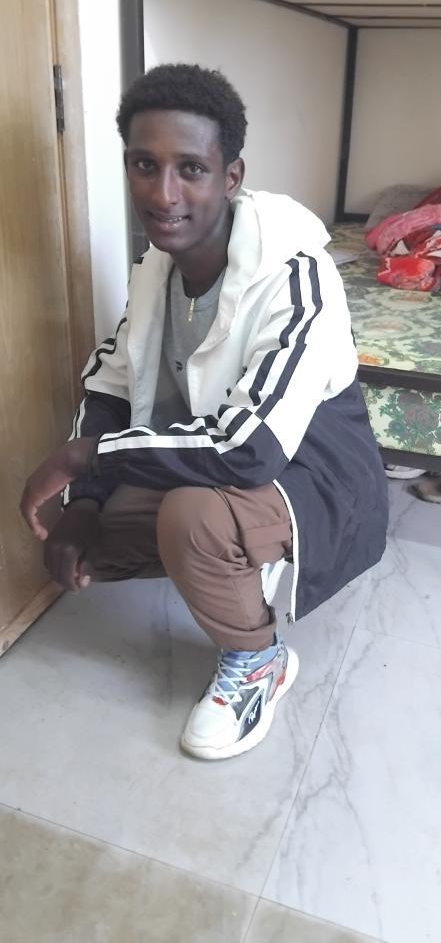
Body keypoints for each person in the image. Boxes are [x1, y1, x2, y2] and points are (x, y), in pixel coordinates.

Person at [20, 63, 388, 760]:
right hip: (217, 455)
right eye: (144, 165)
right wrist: (87, 499)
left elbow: (252, 450)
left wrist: (84, 458)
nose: (163, 193)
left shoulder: (296, 274)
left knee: (191, 518)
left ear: (231, 176)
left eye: (190, 168)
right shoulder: (157, 268)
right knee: (82, 540)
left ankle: (258, 659)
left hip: (308, 472)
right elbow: (112, 381)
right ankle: (219, 559)